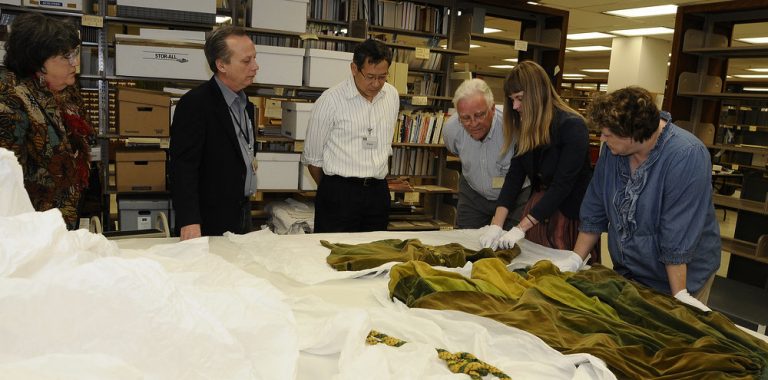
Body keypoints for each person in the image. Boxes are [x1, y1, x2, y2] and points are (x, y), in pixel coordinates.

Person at [570, 86, 720, 310]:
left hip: (681, 276)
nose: (602, 138)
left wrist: (679, 294)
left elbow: (677, 232)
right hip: (631, 270)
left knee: (671, 337)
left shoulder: (686, 155)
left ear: (631, 134)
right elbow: (595, 206)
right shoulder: (614, 151)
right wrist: (575, 259)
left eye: (607, 134)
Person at [480, 61, 592, 251]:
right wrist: (496, 225)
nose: (515, 106)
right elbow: (514, 177)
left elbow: (562, 185)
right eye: (511, 99)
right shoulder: (528, 127)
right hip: (538, 212)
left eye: (519, 98)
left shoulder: (572, 126)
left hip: (567, 213)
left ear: (537, 94)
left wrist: (520, 227)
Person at [0, 13, 92, 229]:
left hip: (61, 222)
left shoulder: (68, 92)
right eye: (65, 56)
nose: (75, 63)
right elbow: (8, 179)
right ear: (38, 62)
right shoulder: (10, 99)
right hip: (27, 228)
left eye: (75, 53)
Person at [170, 26, 259, 240]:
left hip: (242, 213)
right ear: (221, 65)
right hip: (207, 221)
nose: (255, 67)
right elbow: (182, 168)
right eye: (246, 61)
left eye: (254, 58)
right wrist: (189, 220)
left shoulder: (246, 104)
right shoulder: (195, 104)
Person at [302, 39, 400, 233]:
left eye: (382, 77)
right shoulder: (330, 100)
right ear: (354, 69)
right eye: (370, 76)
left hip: (378, 192)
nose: (376, 83)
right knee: (331, 254)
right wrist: (335, 189)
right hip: (339, 193)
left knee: (374, 254)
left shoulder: (392, 96)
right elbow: (313, 159)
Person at [442, 78, 530, 230]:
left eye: (480, 115)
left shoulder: (515, 127)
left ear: (493, 109)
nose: (474, 123)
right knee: (466, 243)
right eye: (466, 118)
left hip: (516, 196)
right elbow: (454, 151)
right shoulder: (451, 130)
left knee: (511, 246)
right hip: (473, 195)